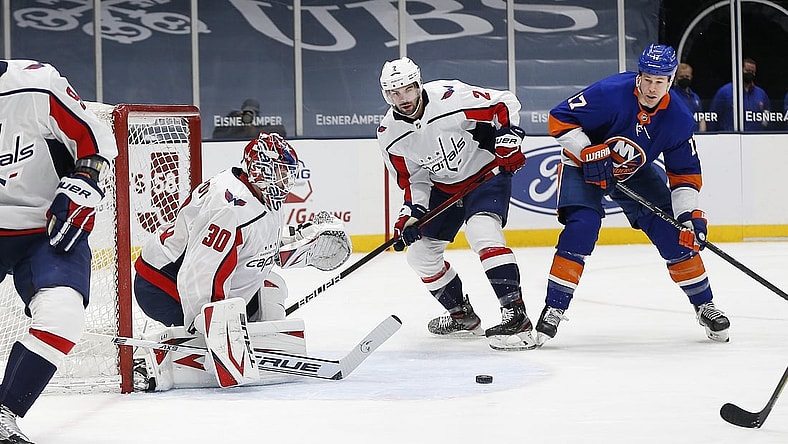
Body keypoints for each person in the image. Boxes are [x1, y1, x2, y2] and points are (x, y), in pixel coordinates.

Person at [534, 43, 730, 347]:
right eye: (648, 79)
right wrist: (587, 150)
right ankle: (554, 308)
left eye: (660, 81)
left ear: (671, 79)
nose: (652, 88)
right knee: (582, 227)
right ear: (639, 77)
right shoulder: (610, 92)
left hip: (634, 172)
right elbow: (559, 119)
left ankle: (704, 305)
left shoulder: (678, 118)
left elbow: (684, 176)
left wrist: (689, 217)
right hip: (582, 166)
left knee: (674, 232)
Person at [132, 131, 352, 391]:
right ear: (260, 170)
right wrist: (210, 325)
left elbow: (252, 248)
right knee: (218, 316)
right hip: (162, 284)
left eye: (287, 173)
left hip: (188, 274)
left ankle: (262, 347)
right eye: (280, 172)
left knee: (272, 287)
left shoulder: (260, 194)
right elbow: (201, 270)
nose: (286, 180)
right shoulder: (230, 208)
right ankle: (153, 361)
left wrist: (304, 244)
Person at [375, 57, 535, 351]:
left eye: (408, 89)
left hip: (485, 174)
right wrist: (411, 214)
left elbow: (503, 103)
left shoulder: (450, 96)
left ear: (418, 84)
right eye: (395, 93)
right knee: (420, 256)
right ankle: (463, 316)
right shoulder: (389, 135)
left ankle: (517, 316)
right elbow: (413, 179)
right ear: (386, 95)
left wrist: (508, 137)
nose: (403, 98)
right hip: (444, 189)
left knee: (481, 231)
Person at [0, 60, 117, 443]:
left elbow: (95, 143)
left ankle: (4, 414)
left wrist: (85, 182)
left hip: (44, 227)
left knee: (62, 314)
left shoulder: (35, 86)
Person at [708, 57, 771, 131]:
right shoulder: (725, 92)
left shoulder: (761, 94)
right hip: (730, 137)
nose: (750, 73)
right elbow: (713, 117)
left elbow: (767, 117)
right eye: (747, 70)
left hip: (755, 138)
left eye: (752, 71)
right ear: (740, 70)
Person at [212, 98, 287, 139]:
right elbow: (216, 136)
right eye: (245, 112)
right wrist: (235, 126)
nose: (248, 116)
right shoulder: (233, 121)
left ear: (257, 114)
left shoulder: (263, 123)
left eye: (253, 112)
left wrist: (257, 132)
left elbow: (282, 131)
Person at [673, 63, 706, 132]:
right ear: (675, 78)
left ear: (691, 77)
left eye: (687, 76)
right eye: (681, 77)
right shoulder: (672, 96)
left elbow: (701, 118)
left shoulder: (695, 97)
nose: (684, 79)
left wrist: (702, 134)